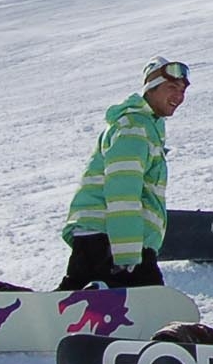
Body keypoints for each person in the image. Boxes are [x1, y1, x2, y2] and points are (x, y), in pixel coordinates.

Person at [57, 56, 188, 291]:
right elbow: (122, 190)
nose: (179, 97)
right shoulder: (135, 128)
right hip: (112, 241)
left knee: (72, 306)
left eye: (182, 90)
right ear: (151, 89)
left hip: (108, 238)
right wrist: (127, 253)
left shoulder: (146, 126)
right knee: (153, 309)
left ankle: (1, 302)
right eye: (171, 88)